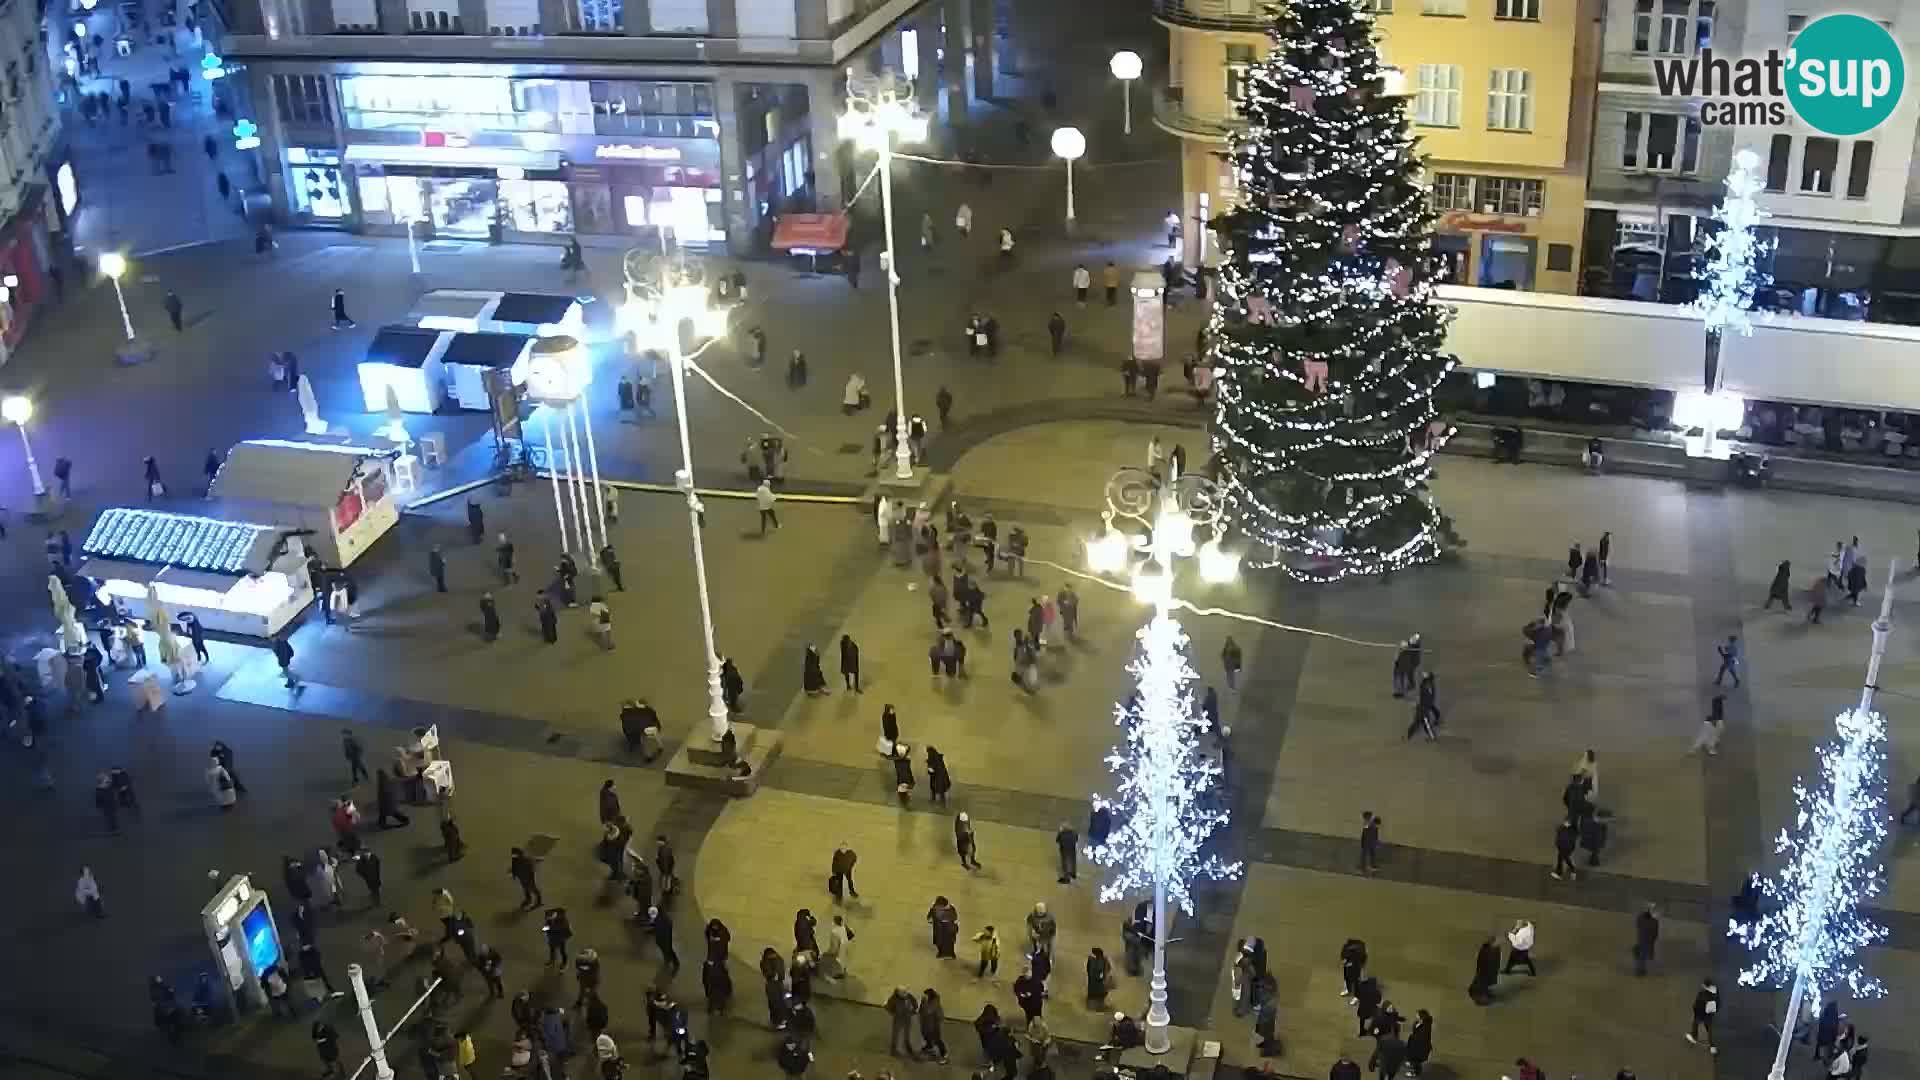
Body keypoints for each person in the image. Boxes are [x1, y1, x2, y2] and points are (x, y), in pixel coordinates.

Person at [1686, 977, 1718, 1054]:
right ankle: (1712, 1047)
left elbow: (1697, 1005)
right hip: (1710, 1014)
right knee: (1710, 1030)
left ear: (1705, 985)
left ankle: (1694, 1037)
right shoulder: (1715, 991)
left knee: (1695, 1024)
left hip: (1701, 1014)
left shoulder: (1702, 994)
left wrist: (1695, 1011)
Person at [886, 986, 918, 1055]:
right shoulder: (893, 999)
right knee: (895, 1034)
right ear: (898, 993)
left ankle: (907, 1045)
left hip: (907, 1018)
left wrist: (913, 1011)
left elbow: (915, 1003)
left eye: (905, 991)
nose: (905, 993)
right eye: (903, 992)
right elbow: (888, 1007)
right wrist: (894, 1013)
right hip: (898, 1019)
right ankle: (893, 1050)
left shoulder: (909, 996)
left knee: (907, 1033)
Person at [1468, 936, 1499, 1004]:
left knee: (1485, 981)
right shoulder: (1486, 951)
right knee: (1482, 981)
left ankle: (1483, 992)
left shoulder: (1493, 950)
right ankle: (1479, 995)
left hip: (1488, 970)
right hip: (1484, 971)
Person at [1404, 1009, 1434, 1076]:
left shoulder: (1426, 1027)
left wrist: (1412, 1038)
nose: (1416, 1016)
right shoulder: (1418, 1023)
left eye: (1417, 1015)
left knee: (1416, 1060)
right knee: (1414, 1058)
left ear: (1422, 1017)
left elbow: (1421, 1039)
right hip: (1415, 1044)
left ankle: (1415, 1072)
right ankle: (1412, 1063)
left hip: (1420, 1047)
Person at [1633, 904, 1660, 975]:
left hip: (1643, 939)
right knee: (1643, 954)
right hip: (1648, 940)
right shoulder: (1654, 921)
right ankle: (1641, 969)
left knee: (1641, 954)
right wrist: (1653, 939)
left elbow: (1638, 925)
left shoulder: (1640, 918)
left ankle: (1640, 969)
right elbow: (1655, 932)